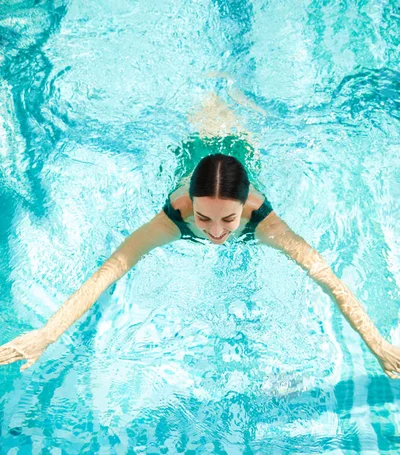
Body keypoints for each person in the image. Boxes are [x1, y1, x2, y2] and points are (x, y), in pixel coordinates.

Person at [1, 92, 400, 378]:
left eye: (228, 219)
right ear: (191, 203)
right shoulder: (173, 217)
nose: (215, 232)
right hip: (193, 151)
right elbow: (109, 271)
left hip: (239, 151)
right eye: (204, 218)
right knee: (206, 112)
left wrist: (377, 345)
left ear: (244, 207)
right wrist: (47, 334)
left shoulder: (266, 222)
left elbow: (328, 278)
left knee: (232, 122)